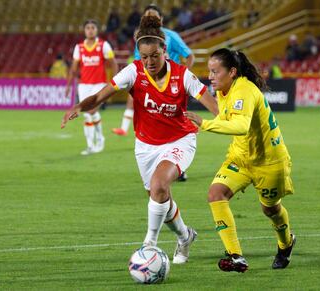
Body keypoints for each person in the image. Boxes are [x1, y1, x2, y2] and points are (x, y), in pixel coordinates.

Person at [61, 15, 218, 264]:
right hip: (146, 145)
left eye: (154, 55)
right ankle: (185, 236)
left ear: (165, 51)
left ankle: (149, 245)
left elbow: (214, 106)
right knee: (158, 196)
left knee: (159, 185)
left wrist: (227, 123)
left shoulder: (182, 75)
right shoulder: (134, 71)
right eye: (144, 57)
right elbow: (102, 95)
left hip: (180, 140)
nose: (149, 62)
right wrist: (79, 106)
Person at [185, 48, 295, 272]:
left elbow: (241, 126)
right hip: (240, 157)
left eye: (216, 72)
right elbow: (227, 119)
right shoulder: (223, 91)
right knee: (216, 194)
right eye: (210, 72)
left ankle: (286, 243)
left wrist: (204, 124)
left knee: (271, 210)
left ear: (232, 72)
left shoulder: (244, 90)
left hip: (270, 161)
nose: (211, 76)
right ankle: (236, 256)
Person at [112, 4, 195, 182]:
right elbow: (138, 60)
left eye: (154, 15)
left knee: (175, 122)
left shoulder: (172, 36)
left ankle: (178, 165)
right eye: (148, 15)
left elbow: (189, 55)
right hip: (149, 82)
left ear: (161, 19)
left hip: (171, 86)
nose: (151, 18)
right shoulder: (141, 39)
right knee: (153, 122)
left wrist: (183, 78)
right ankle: (127, 130)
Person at [65, 19, 118, 155]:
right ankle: (91, 145)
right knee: (88, 116)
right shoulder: (79, 48)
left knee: (91, 111)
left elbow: (113, 64)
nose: (90, 30)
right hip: (84, 86)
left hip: (99, 85)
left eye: (93, 27)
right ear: (84, 30)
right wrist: (69, 85)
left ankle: (99, 140)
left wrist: (116, 81)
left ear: (97, 30)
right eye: (87, 27)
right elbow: (73, 69)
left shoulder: (103, 45)